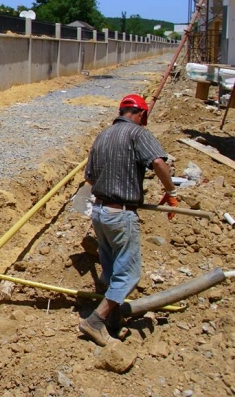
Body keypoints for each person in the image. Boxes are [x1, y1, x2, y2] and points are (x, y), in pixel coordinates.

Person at [80, 94, 178, 346]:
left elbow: (89, 177)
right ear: (141, 114)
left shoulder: (103, 135)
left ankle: (113, 320)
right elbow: (158, 162)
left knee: (112, 269)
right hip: (120, 213)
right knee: (129, 273)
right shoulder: (138, 134)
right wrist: (171, 191)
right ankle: (95, 321)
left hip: (99, 212)